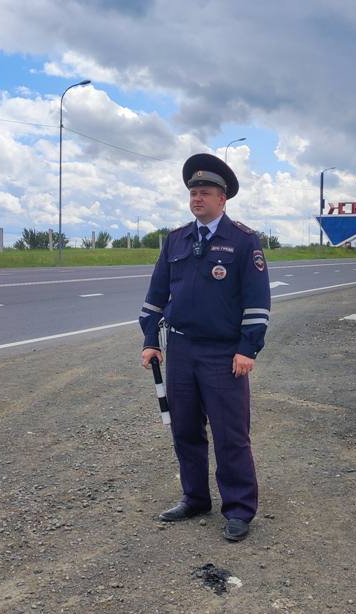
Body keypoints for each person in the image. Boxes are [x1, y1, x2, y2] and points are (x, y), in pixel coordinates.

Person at [139, 153, 271, 542]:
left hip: (223, 354)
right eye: (193, 192)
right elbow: (155, 295)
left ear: (223, 199)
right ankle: (195, 498)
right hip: (180, 350)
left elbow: (258, 303)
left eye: (205, 192)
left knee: (231, 435)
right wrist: (150, 340)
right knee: (185, 431)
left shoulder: (244, 242)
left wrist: (248, 349)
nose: (197, 198)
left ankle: (239, 509)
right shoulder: (176, 239)